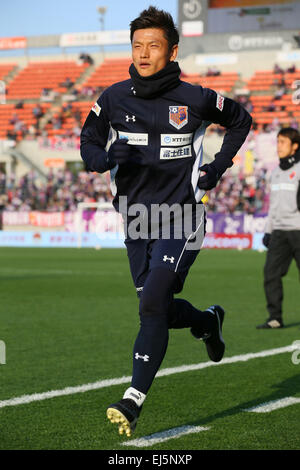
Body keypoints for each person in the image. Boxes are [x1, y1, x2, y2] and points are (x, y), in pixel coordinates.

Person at [80, 6, 252, 437]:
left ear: (172, 50)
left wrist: (217, 167)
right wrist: (104, 159)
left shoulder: (195, 98)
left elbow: (240, 120)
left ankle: (133, 401)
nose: (143, 53)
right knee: (154, 307)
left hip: (182, 215)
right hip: (136, 220)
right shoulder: (113, 98)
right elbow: (88, 143)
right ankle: (207, 322)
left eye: (153, 45)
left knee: (153, 299)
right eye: (137, 45)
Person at [257, 127, 300, 329]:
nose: (279, 146)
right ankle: (275, 318)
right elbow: (272, 206)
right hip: (280, 233)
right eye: (278, 142)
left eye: (283, 142)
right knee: (270, 274)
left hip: (299, 231)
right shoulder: (274, 173)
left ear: (295, 146)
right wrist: (268, 230)